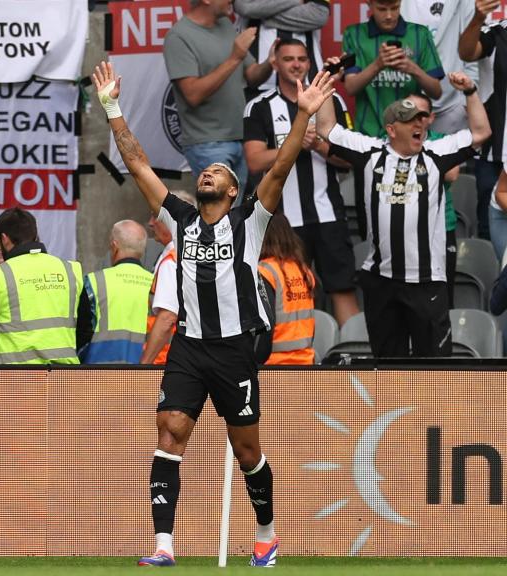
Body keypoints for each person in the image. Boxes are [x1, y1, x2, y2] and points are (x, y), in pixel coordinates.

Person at [93, 60, 337, 567]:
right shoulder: (178, 218)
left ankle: (266, 534)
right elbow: (138, 163)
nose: (209, 172)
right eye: (207, 169)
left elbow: (281, 166)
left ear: (231, 191)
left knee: (248, 452)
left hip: (234, 349)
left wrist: (303, 117)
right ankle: (163, 547)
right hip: (189, 345)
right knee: (170, 430)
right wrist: (113, 107)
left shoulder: (250, 219)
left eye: (220, 173)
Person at [315, 64, 491, 358]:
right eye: (410, 121)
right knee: (387, 366)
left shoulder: (437, 154)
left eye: (422, 119)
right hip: (381, 280)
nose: (419, 125)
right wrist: (323, 90)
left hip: (426, 281)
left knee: (434, 367)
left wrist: (471, 92)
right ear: (391, 129)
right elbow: (326, 130)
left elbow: (482, 132)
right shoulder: (370, 151)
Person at [244, 38, 360, 326]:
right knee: (288, 291)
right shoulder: (259, 106)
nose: (296, 64)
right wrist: (296, 143)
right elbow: (255, 161)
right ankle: (293, 359)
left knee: (342, 289)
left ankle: (352, 360)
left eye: (302, 59)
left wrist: (319, 145)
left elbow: (351, 159)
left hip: (328, 213)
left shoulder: (332, 100)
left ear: (310, 63)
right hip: (283, 219)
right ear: (275, 64)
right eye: (288, 59)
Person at [162, 0, 274, 192]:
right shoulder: (178, 37)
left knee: (237, 217)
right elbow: (193, 94)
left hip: (242, 138)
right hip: (208, 143)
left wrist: (271, 62)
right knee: (219, 215)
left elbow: (252, 75)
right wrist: (235, 58)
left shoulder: (225, 25)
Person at [0, 207, 93, 365]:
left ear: (4, 239)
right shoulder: (70, 270)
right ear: (35, 235)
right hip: (61, 378)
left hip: (13, 378)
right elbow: (85, 330)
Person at [342, 0, 444, 137]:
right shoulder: (353, 34)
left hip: (408, 134)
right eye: (382, 9)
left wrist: (412, 68)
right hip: (367, 135)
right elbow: (350, 87)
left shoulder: (420, 34)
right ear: (369, 4)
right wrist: (378, 64)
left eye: (395, 8)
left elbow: (436, 92)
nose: (389, 15)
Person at [406, 92, 462, 306]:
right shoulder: (391, 140)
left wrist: (414, 149)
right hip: (405, 229)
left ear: (431, 118)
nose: (415, 120)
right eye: (409, 113)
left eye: (420, 115)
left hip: (441, 227)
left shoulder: (443, 141)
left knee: (443, 298)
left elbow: (452, 174)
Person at [460, 0, 507, 249]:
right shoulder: (496, 33)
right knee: (491, 239)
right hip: (495, 155)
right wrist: (478, 18)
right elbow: (466, 52)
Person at [80, 220, 153, 364]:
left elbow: (82, 334)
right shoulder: (156, 283)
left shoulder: (94, 281)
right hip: (146, 372)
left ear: (114, 246)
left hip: (99, 373)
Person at [402, 0, 479, 134]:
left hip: (452, 108)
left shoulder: (465, 2)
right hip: (406, 103)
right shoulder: (400, 4)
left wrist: (466, 103)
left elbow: (472, 54)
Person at [141, 193, 196, 365]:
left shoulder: (173, 260)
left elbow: (167, 318)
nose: (150, 223)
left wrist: (145, 365)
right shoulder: (199, 254)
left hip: (166, 361)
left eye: (155, 216)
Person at [234, 0, 331, 97]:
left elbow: (319, 15)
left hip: (307, 85)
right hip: (257, 83)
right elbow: (245, 8)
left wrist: (262, 15)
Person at [257, 213, 316, 365]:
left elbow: (264, 328)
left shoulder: (265, 271)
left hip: (274, 365)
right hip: (305, 362)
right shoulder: (303, 270)